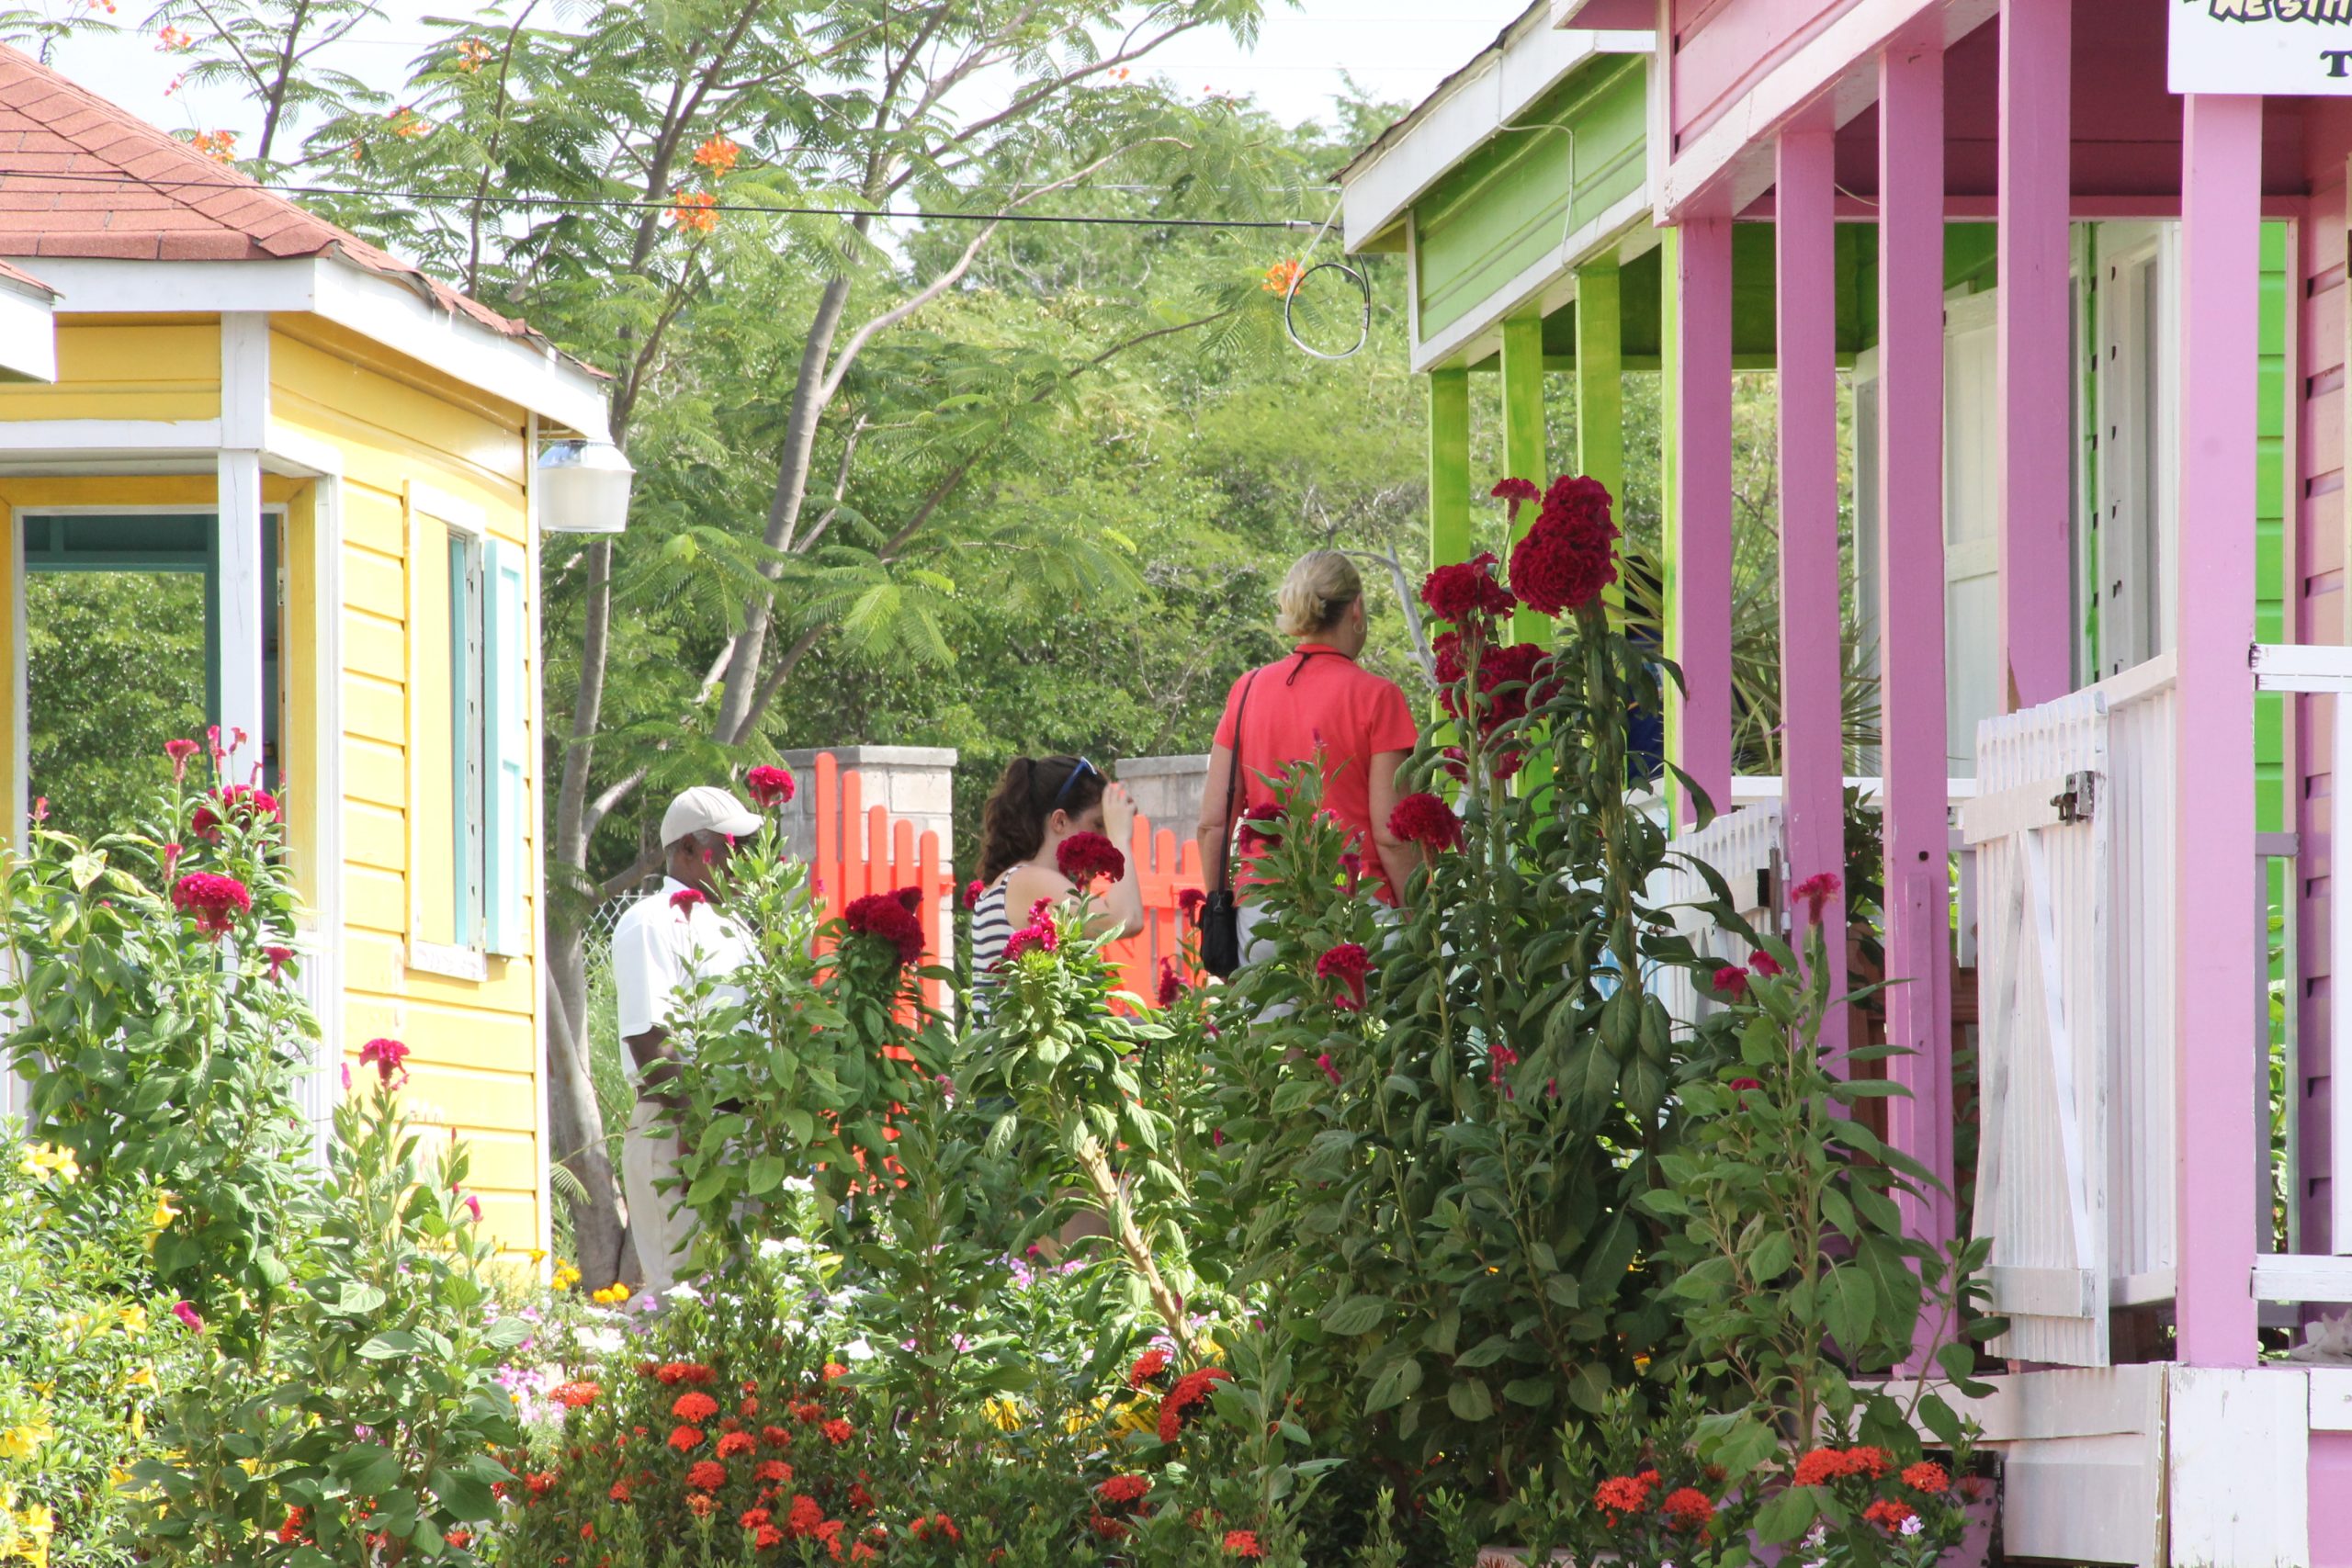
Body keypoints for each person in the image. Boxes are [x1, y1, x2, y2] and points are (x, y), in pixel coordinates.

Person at [1199, 550, 1421, 951]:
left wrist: (1221, 910)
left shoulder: (1246, 691)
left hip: (1264, 913)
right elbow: (1391, 835)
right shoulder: (1378, 697)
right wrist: (1420, 921)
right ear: (1356, 610)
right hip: (1355, 904)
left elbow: (1212, 824)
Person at [608, 784, 762, 1294]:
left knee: (743, 1300)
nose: (740, 860)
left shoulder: (736, 927)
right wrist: (698, 1132)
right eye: (728, 846)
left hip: (738, 1132)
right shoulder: (650, 921)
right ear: (689, 850)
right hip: (681, 1132)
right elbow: (651, 1043)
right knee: (686, 1298)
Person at [968, 756, 1145, 1016]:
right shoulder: (1028, 880)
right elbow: (1126, 920)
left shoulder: (1018, 879)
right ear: (1060, 821)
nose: (1104, 836)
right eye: (1098, 824)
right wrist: (1120, 835)